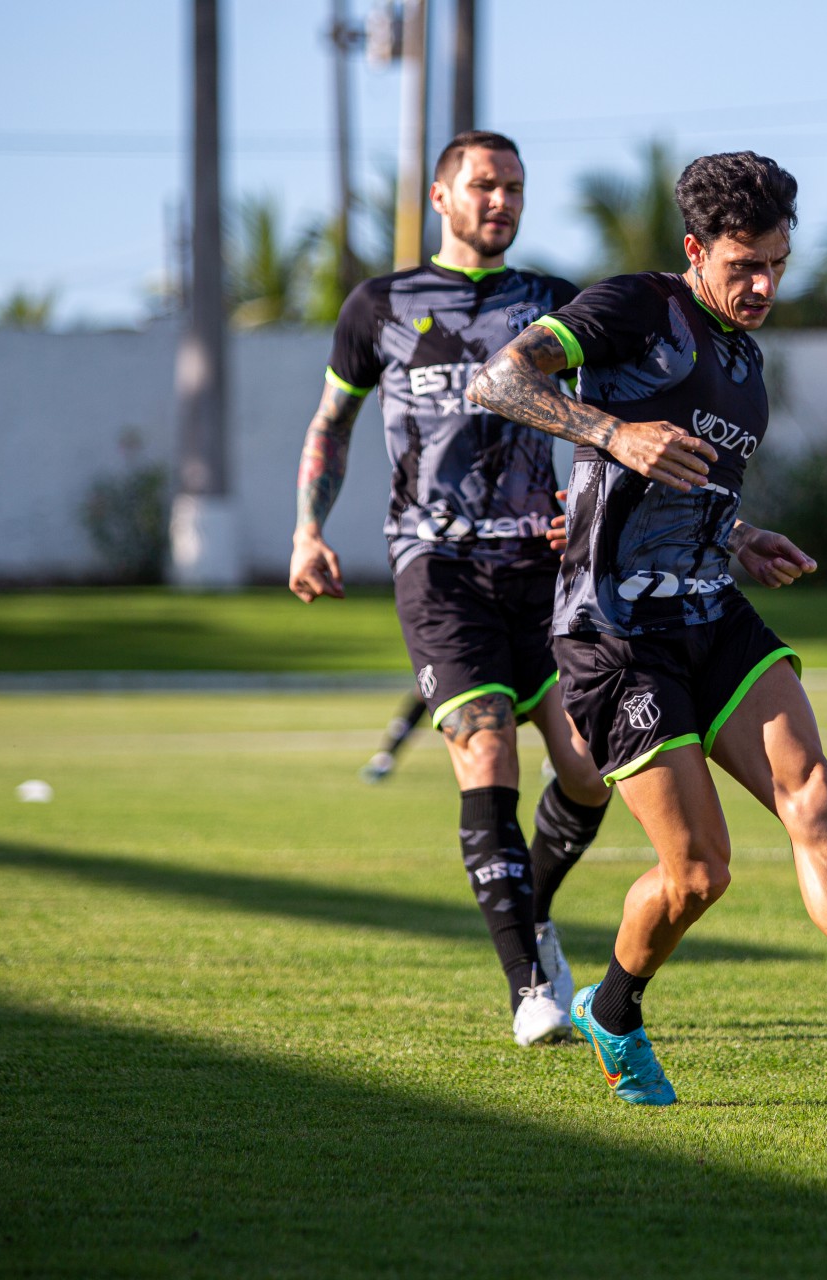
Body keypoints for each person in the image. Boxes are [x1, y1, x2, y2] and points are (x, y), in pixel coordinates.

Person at [468, 150, 827, 1105]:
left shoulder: (746, 361)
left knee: (814, 793)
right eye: (743, 265)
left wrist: (743, 535)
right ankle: (615, 1009)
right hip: (614, 632)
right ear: (694, 251)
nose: (762, 286)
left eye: (777, 266)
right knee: (700, 874)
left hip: (714, 608)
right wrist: (608, 431)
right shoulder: (634, 308)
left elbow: (683, 483)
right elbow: (497, 384)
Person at [289, 130, 612, 1047]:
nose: (501, 201)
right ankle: (527, 992)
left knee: (592, 776)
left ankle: (534, 915)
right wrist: (308, 531)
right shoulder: (379, 306)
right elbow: (331, 423)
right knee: (487, 753)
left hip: (545, 571)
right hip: (436, 566)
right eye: (483, 186)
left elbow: (606, 424)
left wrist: (580, 506)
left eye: (514, 186)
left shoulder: (553, 304)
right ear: (440, 198)